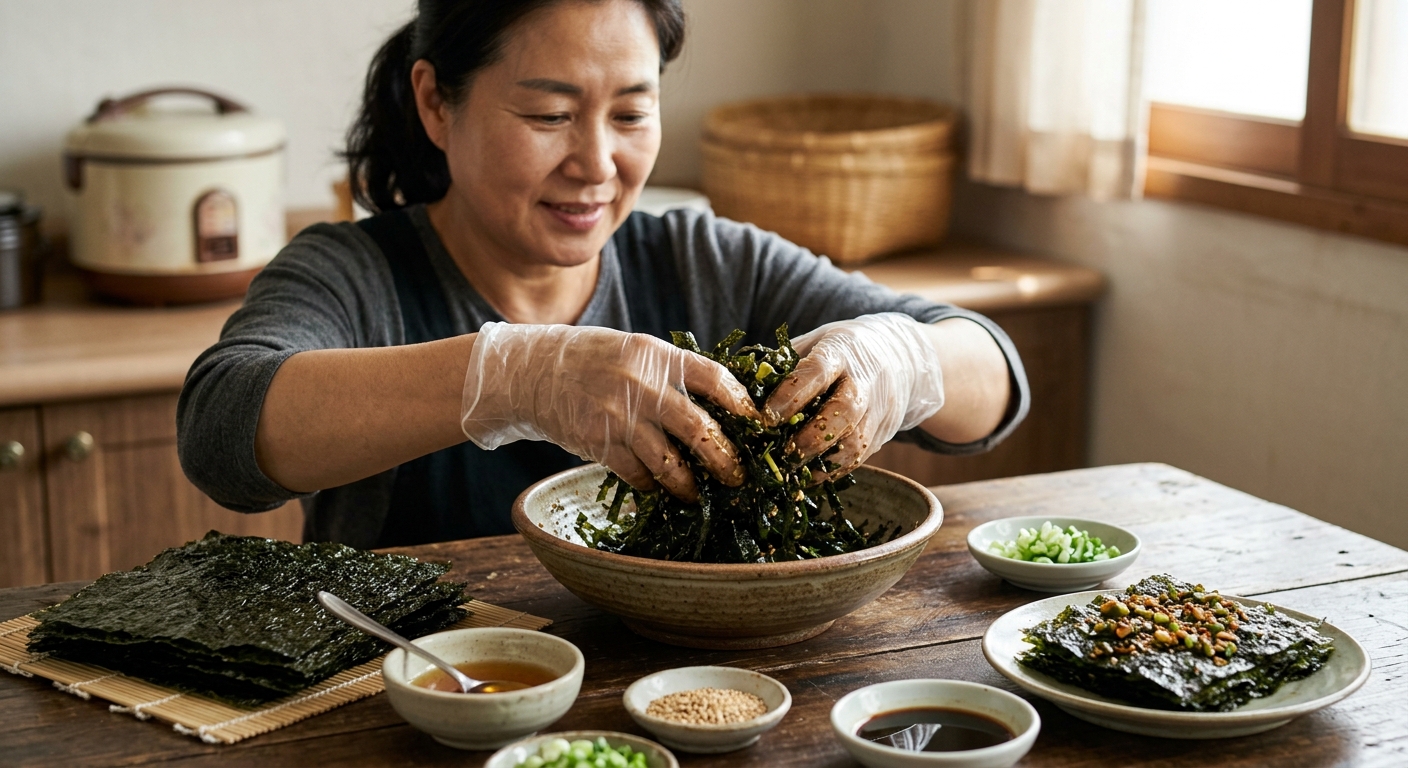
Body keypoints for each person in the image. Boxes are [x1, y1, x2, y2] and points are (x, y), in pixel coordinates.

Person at [177, 0, 1030, 550]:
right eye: (549, 114)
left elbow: (991, 383)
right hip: (432, 703)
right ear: (436, 102)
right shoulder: (355, 272)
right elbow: (221, 430)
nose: (597, 163)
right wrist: (515, 375)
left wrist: (904, 361)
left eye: (631, 112)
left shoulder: (706, 262)